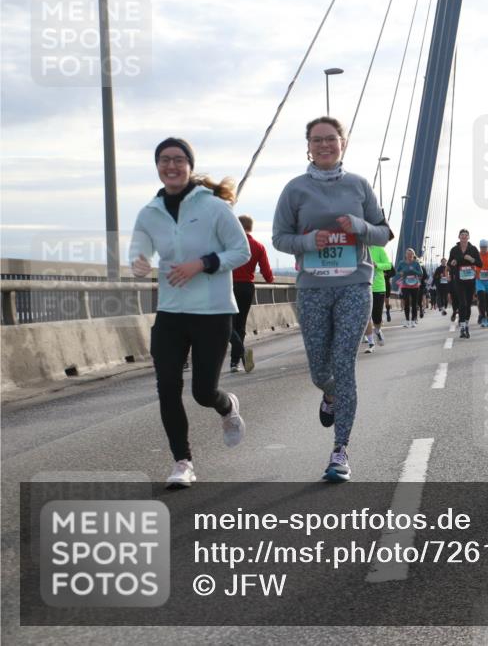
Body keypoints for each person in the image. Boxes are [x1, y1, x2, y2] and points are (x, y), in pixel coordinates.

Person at [273, 116, 391, 482]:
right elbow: (279, 238)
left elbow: (384, 233)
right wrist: (310, 243)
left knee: (345, 365)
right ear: (307, 145)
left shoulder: (359, 186)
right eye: (317, 140)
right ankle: (329, 395)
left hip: (355, 285)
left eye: (331, 139)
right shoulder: (294, 190)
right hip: (313, 287)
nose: (324, 145)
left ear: (343, 144)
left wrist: (358, 228)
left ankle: (340, 451)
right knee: (320, 371)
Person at [130, 137, 250, 487]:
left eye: (178, 159)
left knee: (202, 392)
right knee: (167, 386)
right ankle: (182, 462)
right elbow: (139, 252)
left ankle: (227, 406)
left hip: (212, 312)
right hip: (171, 311)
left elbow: (239, 251)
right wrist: (138, 264)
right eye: (164, 160)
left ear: (189, 166)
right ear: (157, 166)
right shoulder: (149, 212)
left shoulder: (213, 207)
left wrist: (203, 263)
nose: (171, 165)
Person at [230, 214, 274, 373]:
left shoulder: (229, 244)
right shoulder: (258, 246)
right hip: (247, 288)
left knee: (226, 323)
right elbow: (266, 273)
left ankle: (240, 354)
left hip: (228, 287)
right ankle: (235, 362)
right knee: (240, 325)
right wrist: (270, 278)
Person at [448, 229, 482, 338]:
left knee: (468, 304)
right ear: (459, 237)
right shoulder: (454, 250)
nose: (463, 236)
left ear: (468, 237)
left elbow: (479, 264)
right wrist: (452, 263)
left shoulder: (473, 249)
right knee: (462, 303)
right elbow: (449, 263)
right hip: (459, 280)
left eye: (466, 235)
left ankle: (466, 324)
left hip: (470, 280)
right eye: (462, 235)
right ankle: (462, 327)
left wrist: (472, 260)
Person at [363, 244, 393, 353]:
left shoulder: (379, 249)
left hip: (378, 287)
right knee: (366, 316)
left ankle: (378, 331)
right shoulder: (359, 248)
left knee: (377, 317)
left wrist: (377, 265)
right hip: (363, 287)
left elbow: (389, 265)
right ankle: (371, 343)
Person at [397, 248, 424, 327]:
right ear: (405, 255)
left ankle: (413, 321)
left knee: (414, 303)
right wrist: (401, 272)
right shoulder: (401, 263)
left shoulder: (416, 263)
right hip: (405, 284)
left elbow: (421, 273)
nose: (409, 255)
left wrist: (414, 270)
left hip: (414, 285)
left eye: (411, 254)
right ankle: (407, 320)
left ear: (413, 255)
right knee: (406, 303)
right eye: (408, 254)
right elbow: (398, 271)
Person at [476, 239, 488, 327]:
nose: (483, 249)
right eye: (482, 247)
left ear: (487, 247)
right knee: (481, 298)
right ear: (479, 247)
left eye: (485, 247)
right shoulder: (476, 255)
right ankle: (483, 318)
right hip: (479, 279)